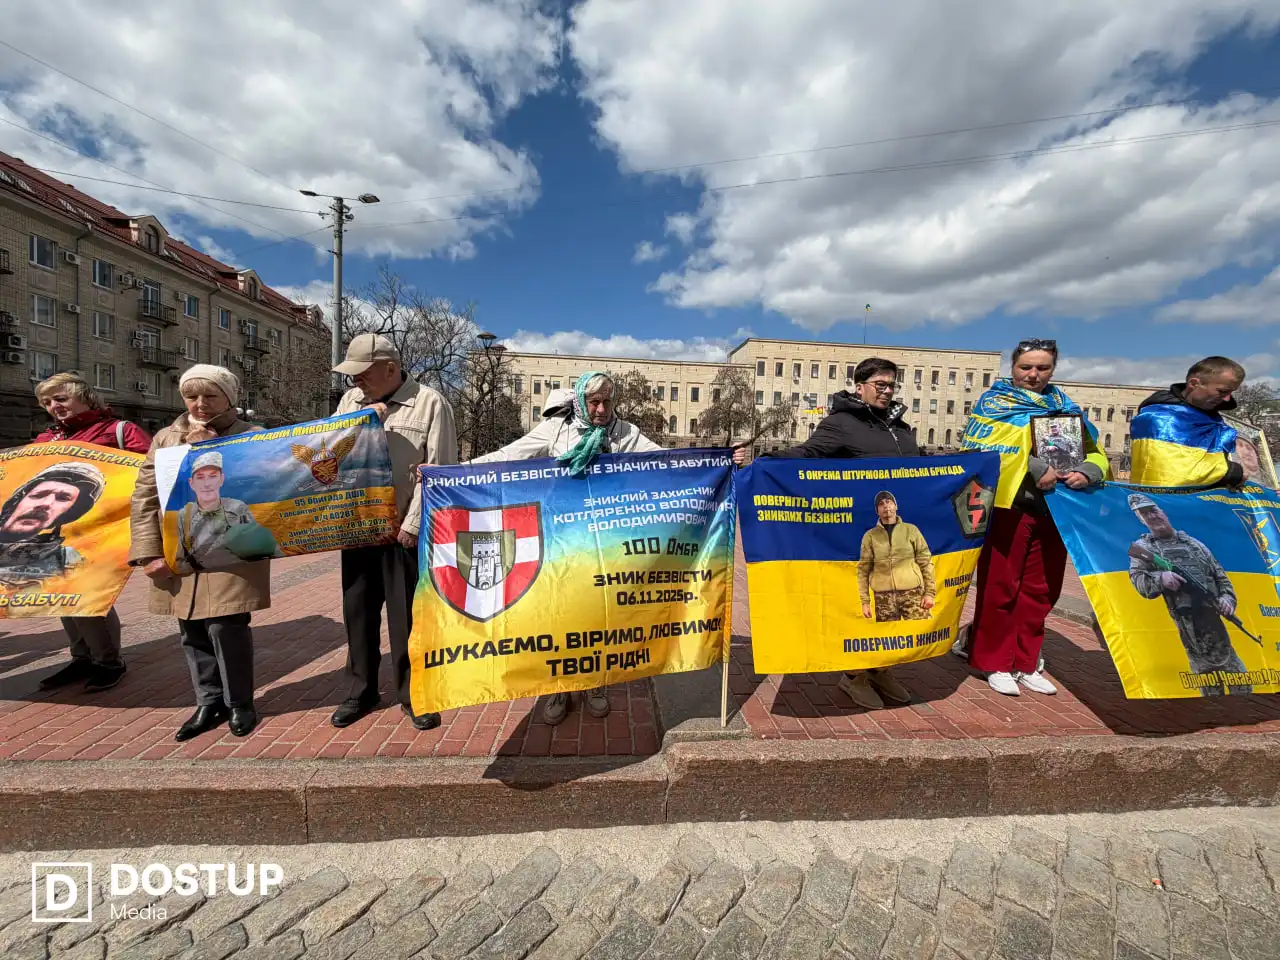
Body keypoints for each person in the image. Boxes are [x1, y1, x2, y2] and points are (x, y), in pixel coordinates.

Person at [472, 370, 662, 725]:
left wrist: (721, 458)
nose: (602, 409)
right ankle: (558, 684)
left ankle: (594, 682)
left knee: (599, 612)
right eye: (594, 402)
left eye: (607, 401)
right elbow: (510, 454)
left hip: (605, 540)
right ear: (579, 401)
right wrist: (456, 470)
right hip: (562, 537)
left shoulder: (625, 434)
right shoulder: (557, 431)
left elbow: (666, 460)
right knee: (559, 612)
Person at [732, 357, 919, 710]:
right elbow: (807, 454)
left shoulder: (901, 428)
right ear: (859, 386)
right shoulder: (842, 424)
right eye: (880, 384)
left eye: (892, 384)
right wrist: (757, 465)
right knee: (865, 606)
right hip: (857, 537)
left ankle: (881, 668)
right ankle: (853, 676)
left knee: (895, 604)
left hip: (897, 538)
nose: (887, 390)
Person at [959, 339, 1108, 697]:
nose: (1033, 374)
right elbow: (980, 454)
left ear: (1053, 370)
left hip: (1056, 510)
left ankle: (1025, 661)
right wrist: (1033, 466)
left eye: (1042, 368)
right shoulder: (995, 405)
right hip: (1010, 509)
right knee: (1000, 587)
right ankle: (993, 660)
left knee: (1042, 590)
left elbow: (1096, 452)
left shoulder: (1066, 408)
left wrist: (1090, 470)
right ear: (1013, 368)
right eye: (1026, 367)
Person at [130, 365, 268, 741]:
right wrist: (146, 553)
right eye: (192, 396)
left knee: (226, 626)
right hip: (179, 548)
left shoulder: (251, 436)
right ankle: (209, 701)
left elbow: (267, 486)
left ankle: (240, 702)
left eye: (210, 396)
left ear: (230, 398)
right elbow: (144, 496)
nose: (200, 404)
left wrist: (210, 449)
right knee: (190, 627)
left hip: (230, 550)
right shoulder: (165, 437)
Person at [330, 334, 458, 731]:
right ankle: (360, 691)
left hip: (402, 530)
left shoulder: (430, 403)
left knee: (407, 619)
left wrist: (414, 525)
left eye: (362, 374)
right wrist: (362, 423)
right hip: (357, 526)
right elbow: (330, 454)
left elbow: (439, 470)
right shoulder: (350, 402)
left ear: (390, 368)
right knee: (358, 613)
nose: (355, 382)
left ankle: (413, 694)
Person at [27, 373, 150, 693]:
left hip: (103, 529)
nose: (54, 406)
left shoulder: (119, 431)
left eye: (61, 398)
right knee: (62, 594)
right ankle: (82, 658)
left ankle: (109, 661)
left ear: (85, 396)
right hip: (56, 530)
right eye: (47, 402)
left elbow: (150, 475)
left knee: (90, 593)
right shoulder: (46, 440)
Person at [1127, 493, 1249, 695]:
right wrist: (1161, 578)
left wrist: (1227, 600)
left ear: (1163, 512)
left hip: (1216, 627)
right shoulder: (1144, 548)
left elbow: (1222, 579)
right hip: (1190, 631)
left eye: (1154, 510)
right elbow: (1139, 583)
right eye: (1145, 514)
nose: (1153, 516)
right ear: (1141, 520)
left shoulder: (1195, 545)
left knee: (1243, 685)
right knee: (1210, 691)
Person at [1130, 357, 1245, 488]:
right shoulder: (1160, 419)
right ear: (1194, 384)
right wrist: (1229, 472)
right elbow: (1169, 474)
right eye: (1222, 391)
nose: (1227, 398)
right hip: (1169, 504)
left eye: (1231, 392)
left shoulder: (1211, 418)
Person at [174, 451, 280, 573]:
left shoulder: (237, 507)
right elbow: (180, 559)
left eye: (213, 476)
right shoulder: (184, 515)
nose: (207, 484)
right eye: (200, 477)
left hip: (241, 575)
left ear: (221, 479)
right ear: (191, 483)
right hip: (203, 579)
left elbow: (257, 544)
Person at [0, 463, 104, 584]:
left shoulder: (66, 560)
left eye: (62, 499)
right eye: (38, 495)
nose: (46, 503)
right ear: (18, 501)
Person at [858, 491, 935, 623]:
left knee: (918, 635)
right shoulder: (870, 537)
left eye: (889, 502)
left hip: (912, 594)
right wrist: (865, 602)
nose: (886, 506)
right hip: (884, 599)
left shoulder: (911, 530)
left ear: (896, 506)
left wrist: (929, 593)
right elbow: (863, 570)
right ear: (877, 511)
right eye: (881, 504)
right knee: (888, 641)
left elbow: (926, 562)